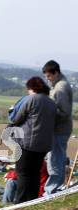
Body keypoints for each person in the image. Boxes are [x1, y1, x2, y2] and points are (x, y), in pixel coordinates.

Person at [9, 77, 57, 203]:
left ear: (32, 88)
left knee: (23, 173)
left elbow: (17, 118)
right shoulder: (52, 103)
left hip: (27, 144)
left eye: (28, 89)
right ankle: (32, 201)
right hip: (43, 146)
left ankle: (19, 202)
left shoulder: (32, 99)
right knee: (35, 174)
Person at [42, 60, 74, 195]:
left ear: (56, 73)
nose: (47, 79)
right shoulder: (59, 85)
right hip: (59, 129)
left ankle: (51, 191)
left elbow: (64, 113)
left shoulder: (60, 88)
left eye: (49, 76)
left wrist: (47, 112)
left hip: (59, 129)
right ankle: (55, 188)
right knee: (57, 159)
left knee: (54, 160)